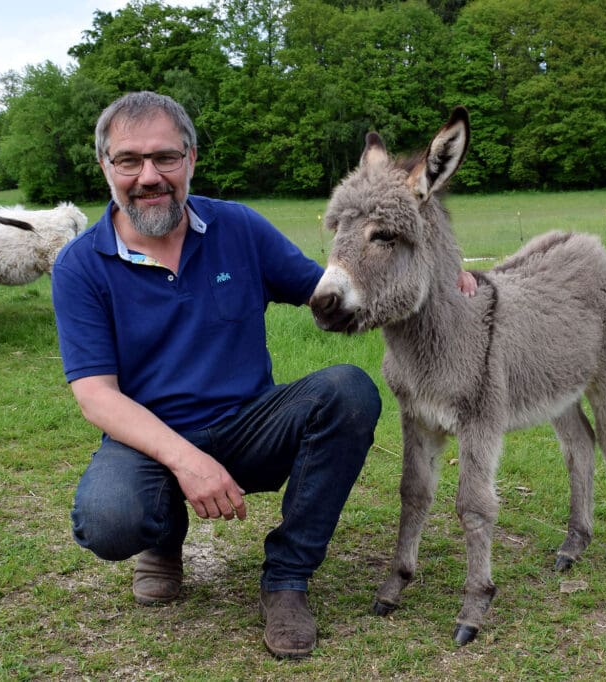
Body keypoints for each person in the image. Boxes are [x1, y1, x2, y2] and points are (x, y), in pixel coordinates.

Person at [51, 91, 382, 659]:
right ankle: (161, 536)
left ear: (192, 159)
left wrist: (443, 281)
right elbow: (97, 398)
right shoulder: (80, 265)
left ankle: (286, 578)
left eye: (165, 158)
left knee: (348, 391)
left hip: (249, 428)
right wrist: (186, 460)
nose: (148, 176)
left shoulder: (237, 228)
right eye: (129, 160)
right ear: (105, 165)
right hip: (151, 441)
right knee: (108, 520)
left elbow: (327, 292)